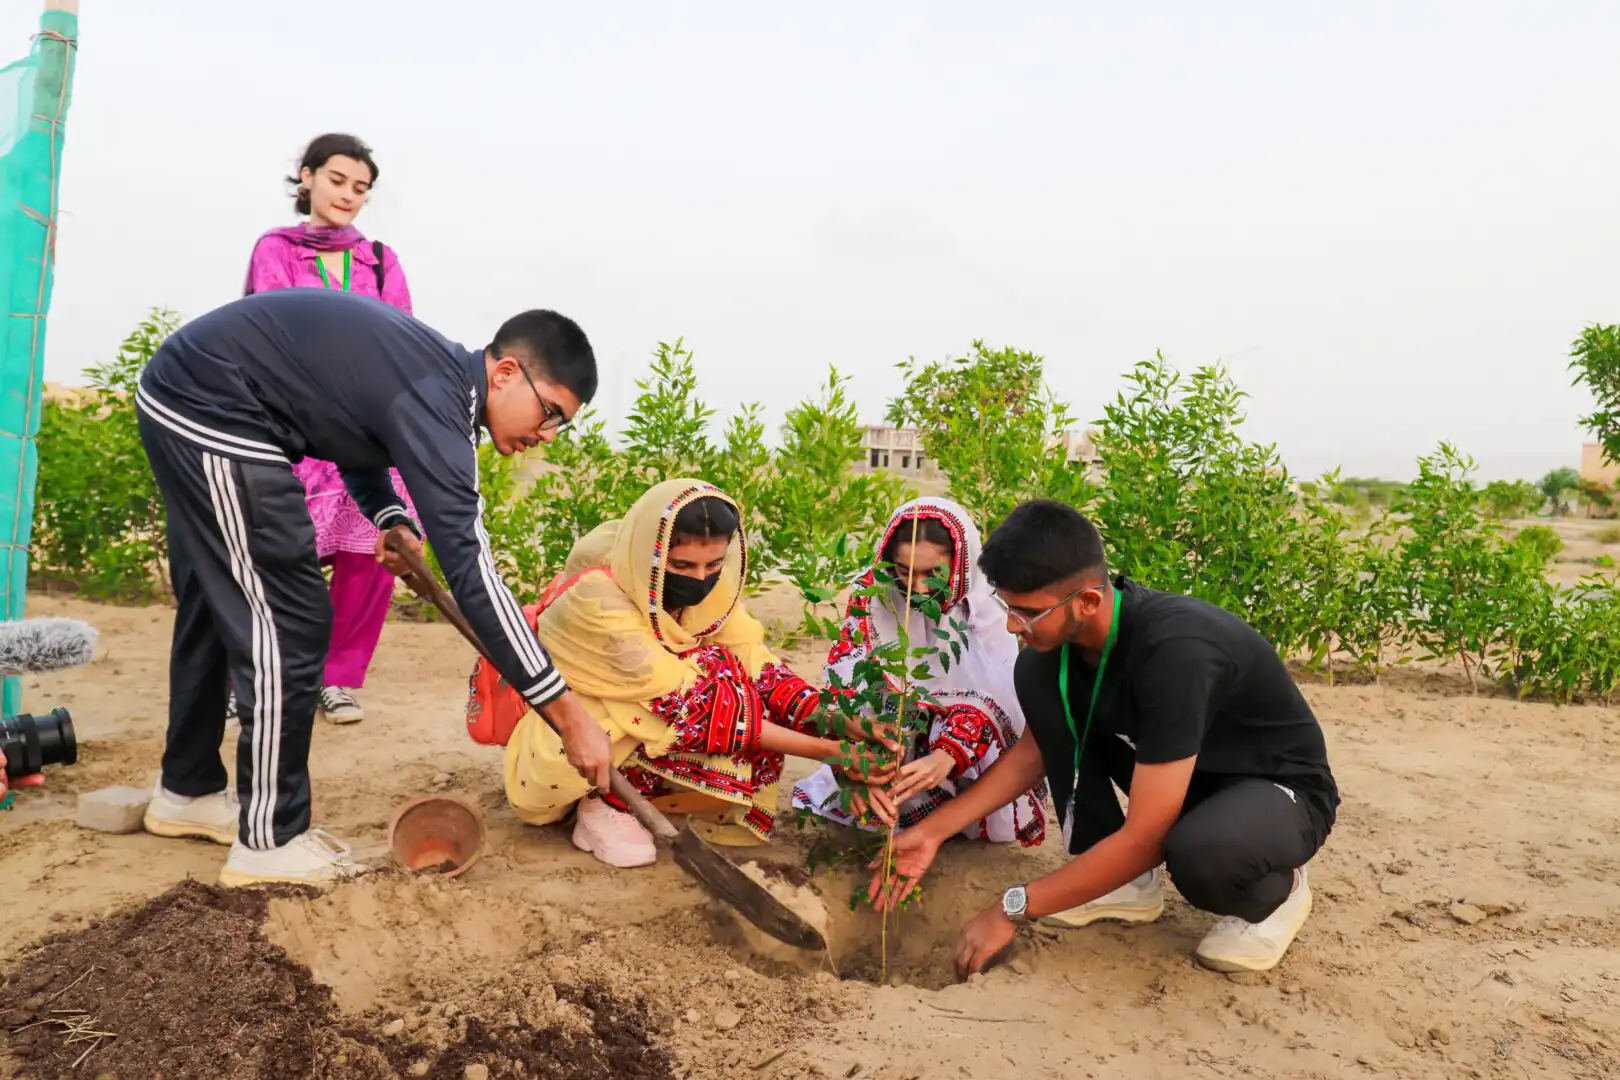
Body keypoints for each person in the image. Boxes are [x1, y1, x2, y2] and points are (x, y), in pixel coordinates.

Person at [135, 287, 611, 886]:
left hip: (187, 395)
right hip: (212, 409)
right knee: (290, 618)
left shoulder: (432, 381)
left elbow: (348, 433)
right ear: (507, 372)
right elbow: (474, 573)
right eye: (551, 414)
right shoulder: (438, 400)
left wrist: (389, 515)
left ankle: (188, 791)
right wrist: (567, 713)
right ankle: (269, 842)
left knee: (216, 601)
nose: (549, 434)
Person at [871, 500, 1339, 978]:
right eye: (1007, 607)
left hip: (1275, 788)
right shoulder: (1052, 654)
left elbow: (1147, 838)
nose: (1013, 625)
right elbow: (1035, 754)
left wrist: (1013, 906)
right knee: (1042, 683)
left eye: (1028, 612)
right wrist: (931, 832)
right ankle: (1124, 885)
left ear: (1089, 602)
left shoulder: (1178, 654)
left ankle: (1279, 895)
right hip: (1180, 778)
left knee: (1202, 856)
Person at [490, 479, 897, 868]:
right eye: (682, 564)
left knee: (739, 678)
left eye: (714, 563)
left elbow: (755, 660)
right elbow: (688, 705)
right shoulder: (596, 599)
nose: (701, 579)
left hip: (648, 720)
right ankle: (603, 803)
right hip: (566, 750)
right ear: (650, 553)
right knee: (715, 688)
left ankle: (647, 794)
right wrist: (829, 752)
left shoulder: (711, 590)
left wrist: (833, 719)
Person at [237, 133, 417, 724]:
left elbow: (401, 337)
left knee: (369, 555)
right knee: (273, 556)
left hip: (364, 427)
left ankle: (335, 679)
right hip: (293, 429)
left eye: (360, 188)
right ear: (308, 177)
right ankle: (251, 679)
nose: (348, 195)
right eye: (337, 180)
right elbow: (272, 328)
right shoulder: (277, 249)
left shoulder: (380, 261)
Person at [792, 497, 1046, 846]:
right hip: (888, 730)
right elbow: (847, 677)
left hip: (960, 736)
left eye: (933, 574)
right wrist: (854, 763)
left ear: (960, 565)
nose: (918, 588)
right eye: (904, 570)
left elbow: (998, 695)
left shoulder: (987, 604)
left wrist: (947, 755)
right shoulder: (874, 593)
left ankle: (952, 806)